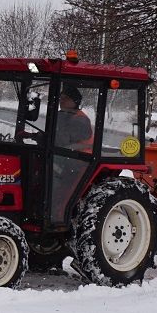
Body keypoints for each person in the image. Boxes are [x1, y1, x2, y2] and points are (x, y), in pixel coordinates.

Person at [51, 83, 94, 223]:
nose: (61, 100)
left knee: (51, 173)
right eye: (60, 97)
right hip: (65, 156)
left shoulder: (79, 120)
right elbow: (54, 137)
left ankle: (55, 212)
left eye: (65, 98)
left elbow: (61, 139)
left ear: (74, 102)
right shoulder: (63, 115)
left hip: (79, 161)